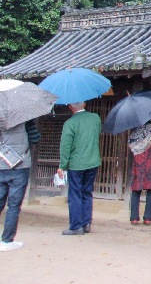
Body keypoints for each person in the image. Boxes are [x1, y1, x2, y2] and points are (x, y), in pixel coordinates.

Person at [57, 101, 101, 236]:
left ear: (70, 106)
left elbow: (66, 146)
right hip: (93, 161)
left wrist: (62, 166)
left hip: (76, 163)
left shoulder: (70, 123)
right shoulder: (95, 118)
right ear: (85, 104)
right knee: (87, 192)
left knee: (75, 193)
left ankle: (76, 226)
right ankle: (86, 223)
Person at [0, 120, 40, 251]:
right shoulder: (25, 119)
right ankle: (6, 240)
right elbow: (35, 138)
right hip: (19, 165)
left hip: (1, 164)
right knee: (14, 205)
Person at [127, 122, 151, 225]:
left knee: (136, 190)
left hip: (139, 164)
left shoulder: (136, 133)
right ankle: (148, 218)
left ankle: (134, 218)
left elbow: (131, 145)